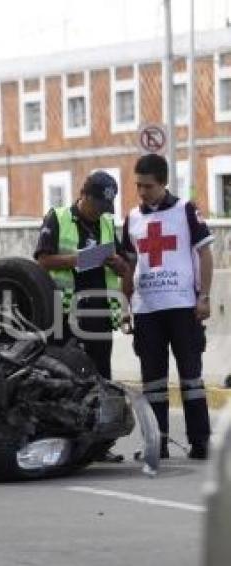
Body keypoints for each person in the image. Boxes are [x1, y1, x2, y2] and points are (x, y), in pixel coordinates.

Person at [122, 153, 213, 460]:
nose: (142, 192)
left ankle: (200, 442)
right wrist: (125, 306)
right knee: (153, 383)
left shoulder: (186, 211)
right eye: (138, 186)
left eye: (147, 186)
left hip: (182, 307)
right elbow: (128, 267)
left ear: (163, 183)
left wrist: (205, 296)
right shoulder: (132, 219)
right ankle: (155, 443)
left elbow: (205, 254)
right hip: (147, 310)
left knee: (191, 379)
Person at [35, 171, 130, 381]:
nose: (99, 212)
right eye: (97, 206)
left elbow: (125, 268)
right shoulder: (57, 218)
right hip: (64, 312)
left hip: (100, 312)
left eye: (104, 208)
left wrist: (118, 264)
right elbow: (43, 261)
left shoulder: (106, 223)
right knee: (62, 372)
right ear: (83, 195)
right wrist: (83, 259)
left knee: (101, 373)